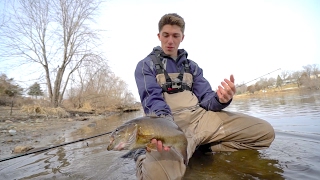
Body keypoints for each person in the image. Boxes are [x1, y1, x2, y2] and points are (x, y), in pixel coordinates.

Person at [133, 13, 275, 180]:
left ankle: (203, 145)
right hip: (170, 125)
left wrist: (221, 99)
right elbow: (152, 101)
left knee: (264, 132)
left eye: (175, 35)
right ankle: (143, 156)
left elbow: (207, 99)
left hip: (201, 119)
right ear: (159, 36)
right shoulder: (144, 66)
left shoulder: (192, 67)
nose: (170, 40)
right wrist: (164, 128)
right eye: (166, 35)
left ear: (182, 38)